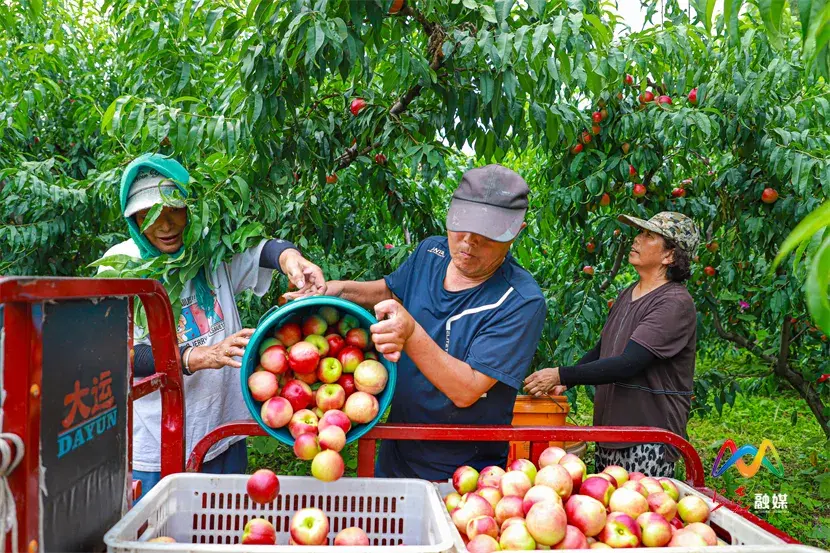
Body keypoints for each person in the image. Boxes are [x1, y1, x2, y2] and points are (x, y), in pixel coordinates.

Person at [289, 165, 547, 480]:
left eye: (486, 236)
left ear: (515, 232)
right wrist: (334, 290)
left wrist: (409, 332)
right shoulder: (432, 252)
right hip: (396, 447)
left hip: (463, 472)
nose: (468, 242)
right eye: (461, 227)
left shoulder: (519, 300)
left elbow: (466, 389)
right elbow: (390, 290)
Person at [97, 153, 326, 499]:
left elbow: (261, 250)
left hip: (222, 429)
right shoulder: (121, 268)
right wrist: (195, 356)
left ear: (190, 208)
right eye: (150, 215)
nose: (166, 224)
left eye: (175, 209)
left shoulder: (206, 251)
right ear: (134, 219)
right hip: (157, 441)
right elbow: (117, 351)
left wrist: (291, 258)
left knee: (223, 528)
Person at [524, 211, 700, 478]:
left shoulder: (674, 303)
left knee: (641, 513)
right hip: (611, 432)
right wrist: (565, 382)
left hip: (647, 437)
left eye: (648, 236)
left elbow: (629, 363)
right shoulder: (628, 293)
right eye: (640, 233)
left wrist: (560, 373)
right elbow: (603, 348)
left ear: (669, 256)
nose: (637, 240)